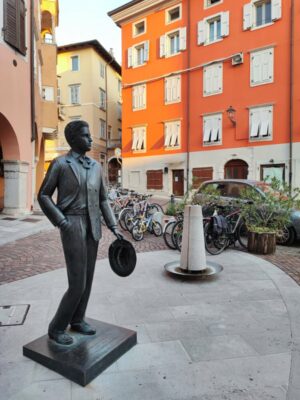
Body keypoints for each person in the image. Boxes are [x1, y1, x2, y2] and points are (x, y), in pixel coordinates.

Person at [38, 120, 123, 345]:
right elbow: (44, 195)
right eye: (85, 136)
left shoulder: (95, 166)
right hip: (72, 223)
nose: (90, 139)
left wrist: (114, 226)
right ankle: (56, 327)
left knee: (88, 279)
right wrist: (61, 221)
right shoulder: (60, 164)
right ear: (74, 139)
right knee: (77, 282)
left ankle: (78, 319)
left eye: (89, 135)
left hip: (93, 224)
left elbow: (103, 199)